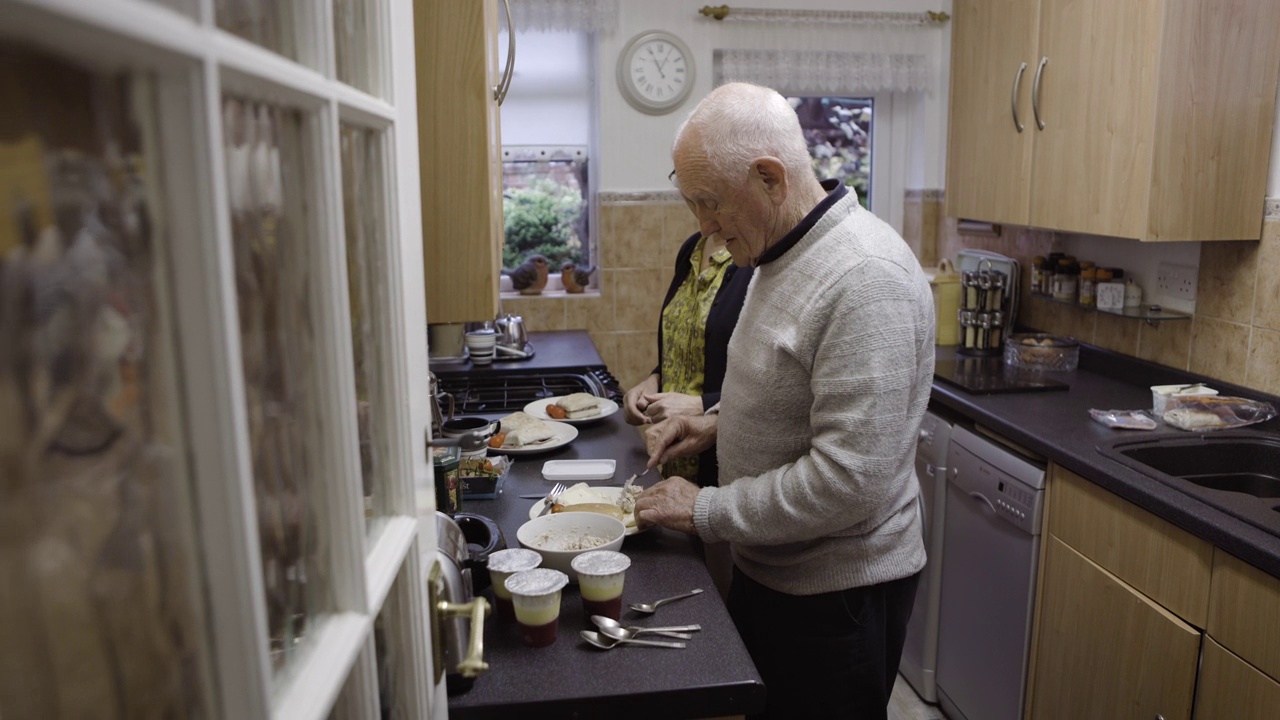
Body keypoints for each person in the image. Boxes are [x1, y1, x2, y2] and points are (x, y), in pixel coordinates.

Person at [633, 82, 935, 719]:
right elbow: (786, 389)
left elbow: (847, 479)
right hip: (774, 570)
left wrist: (707, 509)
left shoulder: (864, 277)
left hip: (836, 594)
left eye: (710, 205)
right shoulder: (778, 254)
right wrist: (714, 424)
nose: (705, 230)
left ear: (770, 178)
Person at [621, 230, 753, 489]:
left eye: (708, 201)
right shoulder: (692, 247)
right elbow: (687, 343)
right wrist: (654, 379)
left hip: (723, 470)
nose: (704, 221)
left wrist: (703, 404)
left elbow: (773, 382)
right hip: (675, 463)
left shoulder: (752, 255)